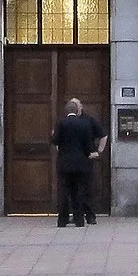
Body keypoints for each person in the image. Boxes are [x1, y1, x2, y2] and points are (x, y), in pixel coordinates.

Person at [49, 97, 107, 227]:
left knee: (64, 192)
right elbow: (88, 143)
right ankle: (79, 220)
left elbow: (55, 141)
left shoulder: (61, 123)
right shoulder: (85, 124)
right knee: (79, 192)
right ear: (77, 110)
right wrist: (93, 153)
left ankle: (62, 220)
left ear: (66, 110)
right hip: (81, 163)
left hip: (64, 163)